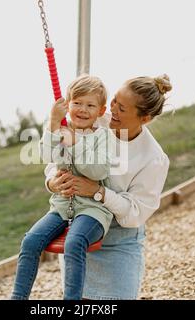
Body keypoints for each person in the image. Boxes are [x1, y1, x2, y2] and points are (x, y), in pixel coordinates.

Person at [45, 75, 172, 299]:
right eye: (114, 101)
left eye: (121, 108)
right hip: (81, 232)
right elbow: (58, 157)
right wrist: (52, 182)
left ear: (145, 118)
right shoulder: (94, 119)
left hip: (118, 242)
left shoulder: (153, 158)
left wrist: (98, 192)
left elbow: (135, 214)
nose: (112, 110)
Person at [11, 75, 116, 300]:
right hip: (61, 208)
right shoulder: (60, 129)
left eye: (90, 105)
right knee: (30, 241)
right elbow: (47, 156)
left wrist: (75, 143)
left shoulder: (103, 136)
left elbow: (98, 172)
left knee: (74, 242)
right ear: (67, 104)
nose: (83, 109)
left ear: (100, 110)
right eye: (77, 103)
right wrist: (52, 124)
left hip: (92, 210)